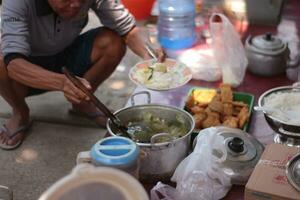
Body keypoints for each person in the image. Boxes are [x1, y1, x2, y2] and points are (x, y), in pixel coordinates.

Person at [0, 0, 165, 150]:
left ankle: (82, 103)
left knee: (112, 41)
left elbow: (128, 28)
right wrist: (61, 83)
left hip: (67, 54)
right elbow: (13, 63)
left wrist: (149, 54)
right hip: (28, 68)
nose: (76, 5)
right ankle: (20, 113)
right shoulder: (17, 2)